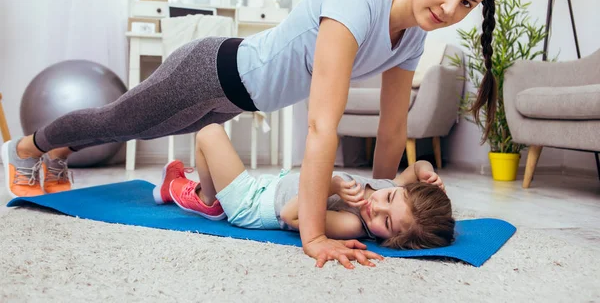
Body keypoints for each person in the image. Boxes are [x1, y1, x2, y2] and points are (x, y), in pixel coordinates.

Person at [2, 0, 502, 268]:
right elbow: (320, 127)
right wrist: (313, 238)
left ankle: (60, 150)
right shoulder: (357, 0)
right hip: (211, 70)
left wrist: (380, 190)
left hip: (237, 99)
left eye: (467, 3)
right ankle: (30, 147)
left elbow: (393, 131)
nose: (449, 7)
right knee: (120, 121)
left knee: (124, 124)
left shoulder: (412, 37)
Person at [156, 123, 454, 269]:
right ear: (401, 189)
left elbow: (291, 215)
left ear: (390, 239)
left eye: (386, 224)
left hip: (254, 205)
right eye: (388, 199)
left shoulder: (352, 224)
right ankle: (204, 193)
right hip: (269, 185)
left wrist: (333, 185)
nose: (375, 207)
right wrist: (427, 171)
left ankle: (209, 201)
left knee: (208, 134)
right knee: (210, 139)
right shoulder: (391, 186)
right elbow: (414, 168)